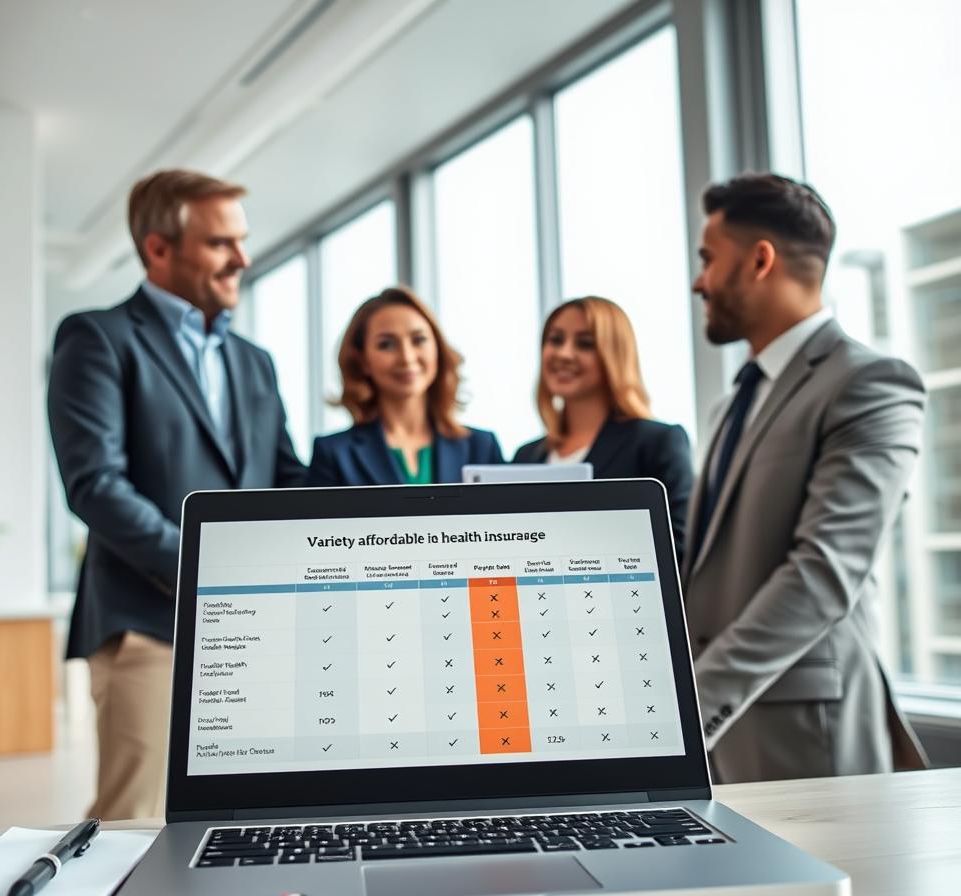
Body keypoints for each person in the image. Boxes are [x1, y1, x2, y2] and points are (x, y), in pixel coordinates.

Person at [47, 169, 305, 820]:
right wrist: (206, 569)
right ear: (159, 248)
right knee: (134, 822)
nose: (242, 259)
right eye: (221, 243)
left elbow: (285, 477)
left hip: (252, 625)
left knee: (241, 815)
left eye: (241, 241)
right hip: (147, 622)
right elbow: (96, 485)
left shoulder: (254, 361)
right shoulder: (98, 338)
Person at [683, 171, 926, 783]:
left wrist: (690, 706)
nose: (699, 281)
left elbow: (823, 573)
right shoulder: (732, 403)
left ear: (760, 259)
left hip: (801, 735)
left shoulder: (869, 384)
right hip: (718, 737)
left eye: (709, 259)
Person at [513, 296, 694, 561]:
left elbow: (676, 548)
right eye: (555, 340)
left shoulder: (656, 443)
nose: (564, 353)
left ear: (615, 354)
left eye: (585, 343)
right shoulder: (526, 457)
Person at [306, 286, 503, 486]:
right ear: (362, 361)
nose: (407, 358)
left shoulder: (482, 448)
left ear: (438, 349)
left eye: (419, 340)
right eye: (386, 345)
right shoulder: (334, 454)